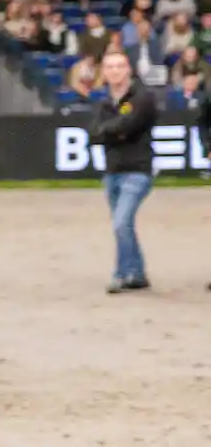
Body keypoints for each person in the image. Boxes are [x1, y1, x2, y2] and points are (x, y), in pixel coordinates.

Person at [90, 47, 155, 293]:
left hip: (138, 170)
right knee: (123, 224)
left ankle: (120, 273)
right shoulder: (104, 102)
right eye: (110, 67)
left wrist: (109, 130)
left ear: (128, 70)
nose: (115, 71)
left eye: (119, 66)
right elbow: (94, 132)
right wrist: (113, 130)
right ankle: (137, 273)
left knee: (120, 223)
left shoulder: (142, 97)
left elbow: (131, 124)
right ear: (104, 72)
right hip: (112, 172)